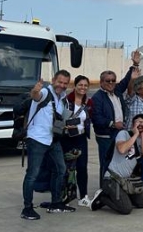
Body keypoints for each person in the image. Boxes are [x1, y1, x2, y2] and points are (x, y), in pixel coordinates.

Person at [21, 71, 75, 220]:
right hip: (37, 139)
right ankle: (27, 208)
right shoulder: (45, 92)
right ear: (53, 80)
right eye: (60, 82)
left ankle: (56, 203)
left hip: (53, 139)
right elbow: (36, 96)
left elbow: (57, 118)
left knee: (61, 169)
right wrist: (35, 90)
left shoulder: (62, 97)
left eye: (65, 83)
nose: (62, 85)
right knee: (32, 174)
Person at [87, 114, 143, 214]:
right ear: (132, 125)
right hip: (112, 178)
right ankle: (103, 197)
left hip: (126, 181)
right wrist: (135, 135)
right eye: (138, 122)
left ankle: (120, 196)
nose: (140, 124)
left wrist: (142, 137)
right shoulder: (123, 134)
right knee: (126, 209)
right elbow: (122, 149)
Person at [90, 66, 136, 184]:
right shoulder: (97, 97)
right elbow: (96, 118)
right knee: (106, 162)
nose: (111, 83)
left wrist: (134, 65)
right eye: (107, 81)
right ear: (101, 82)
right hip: (106, 136)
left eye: (113, 80)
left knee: (118, 161)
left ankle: (114, 188)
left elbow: (126, 81)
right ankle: (104, 189)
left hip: (118, 134)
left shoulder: (117, 92)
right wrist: (113, 124)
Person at [62, 75, 91, 207]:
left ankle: (83, 196)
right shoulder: (66, 101)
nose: (83, 88)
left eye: (85, 85)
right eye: (80, 85)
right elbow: (58, 119)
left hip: (81, 138)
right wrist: (65, 126)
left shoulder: (88, 103)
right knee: (67, 168)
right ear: (75, 86)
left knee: (82, 167)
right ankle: (66, 196)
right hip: (67, 138)